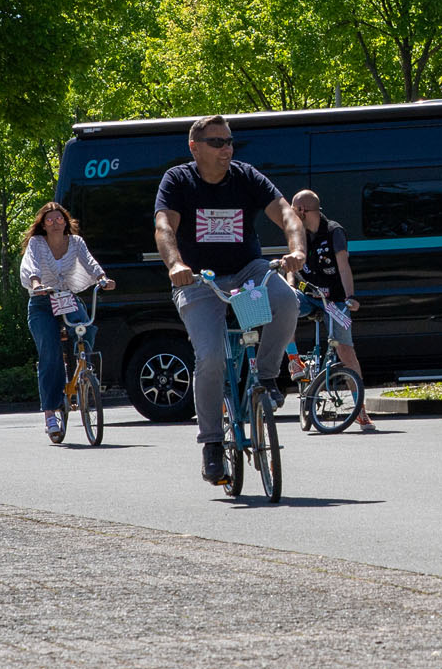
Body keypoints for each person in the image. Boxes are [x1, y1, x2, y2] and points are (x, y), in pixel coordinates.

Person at [154, 115, 305, 484]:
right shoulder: (178, 180)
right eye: (217, 143)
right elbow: (163, 228)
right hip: (198, 280)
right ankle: (211, 444)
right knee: (210, 357)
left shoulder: (246, 176)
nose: (227, 149)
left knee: (286, 300)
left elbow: (287, 214)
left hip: (245, 273)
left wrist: (297, 250)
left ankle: (267, 378)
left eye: (229, 142)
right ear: (195, 147)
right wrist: (176, 265)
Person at [18, 202, 113, 437]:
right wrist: (37, 284)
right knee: (49, 354)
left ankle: (83, 371)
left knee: (85, 328)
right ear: (42, 224)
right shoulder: (37, 243)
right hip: (42, 302)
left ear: (66, 221)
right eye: (49, 220)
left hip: (66, 298)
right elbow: (31, 265)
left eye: (59, 219)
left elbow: (89, 262)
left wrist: (102, 278)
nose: (55, 223)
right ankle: (50, 414)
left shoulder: (76, 242)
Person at [288, 188, 375, 431]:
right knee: (282, 308)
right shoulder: (296, 231)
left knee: (346, 352)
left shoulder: (334, 231)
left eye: (294, 210)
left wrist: (350, 298)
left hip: (333, 300)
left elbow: (343, 266)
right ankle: (294, 360)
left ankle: (360, 410)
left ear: (303, 211)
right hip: (307, 295)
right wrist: (289, 287)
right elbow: (291, 266)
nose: (291, 214)